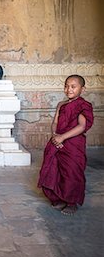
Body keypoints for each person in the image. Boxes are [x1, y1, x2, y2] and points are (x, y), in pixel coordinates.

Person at [38, 75, 94, 216]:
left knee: (71, 172)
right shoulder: (61, 105)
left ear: (83, 89)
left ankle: (71, 202)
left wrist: (63, 137)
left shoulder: (83, 105)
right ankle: (59, 198)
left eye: (73, 86)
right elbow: (55, 122)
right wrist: (55, 135)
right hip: (58, 141)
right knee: (54, 170)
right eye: (67, 86)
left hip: (73, 142)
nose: (69, 89)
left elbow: (82, 126)